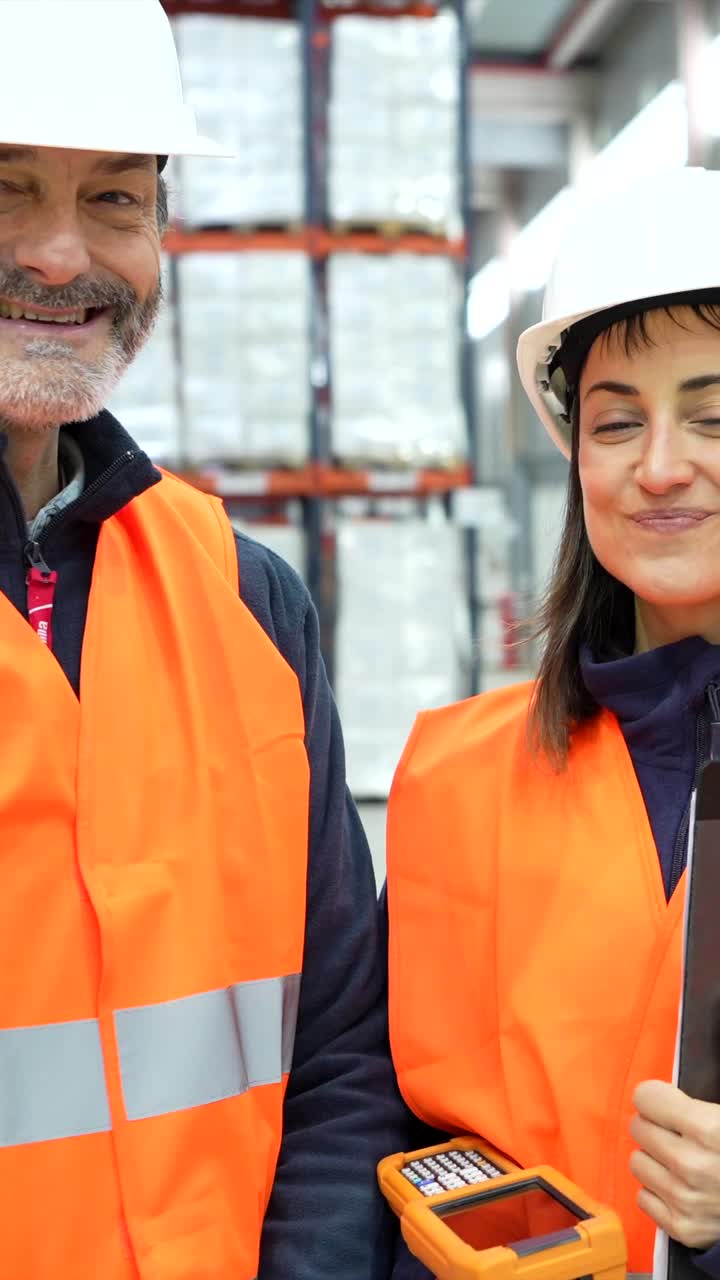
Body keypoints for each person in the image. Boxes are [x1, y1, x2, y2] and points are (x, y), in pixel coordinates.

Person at [0, 1, 406, 1275]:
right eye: (7, 187)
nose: (63, 256)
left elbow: (342, 1044)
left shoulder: (247, 595)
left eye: (116, 199)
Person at [386, 165, 720, 1280]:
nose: (661, 465)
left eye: (713, 415)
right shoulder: (459, 775)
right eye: (617, 421)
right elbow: (395, 1135)